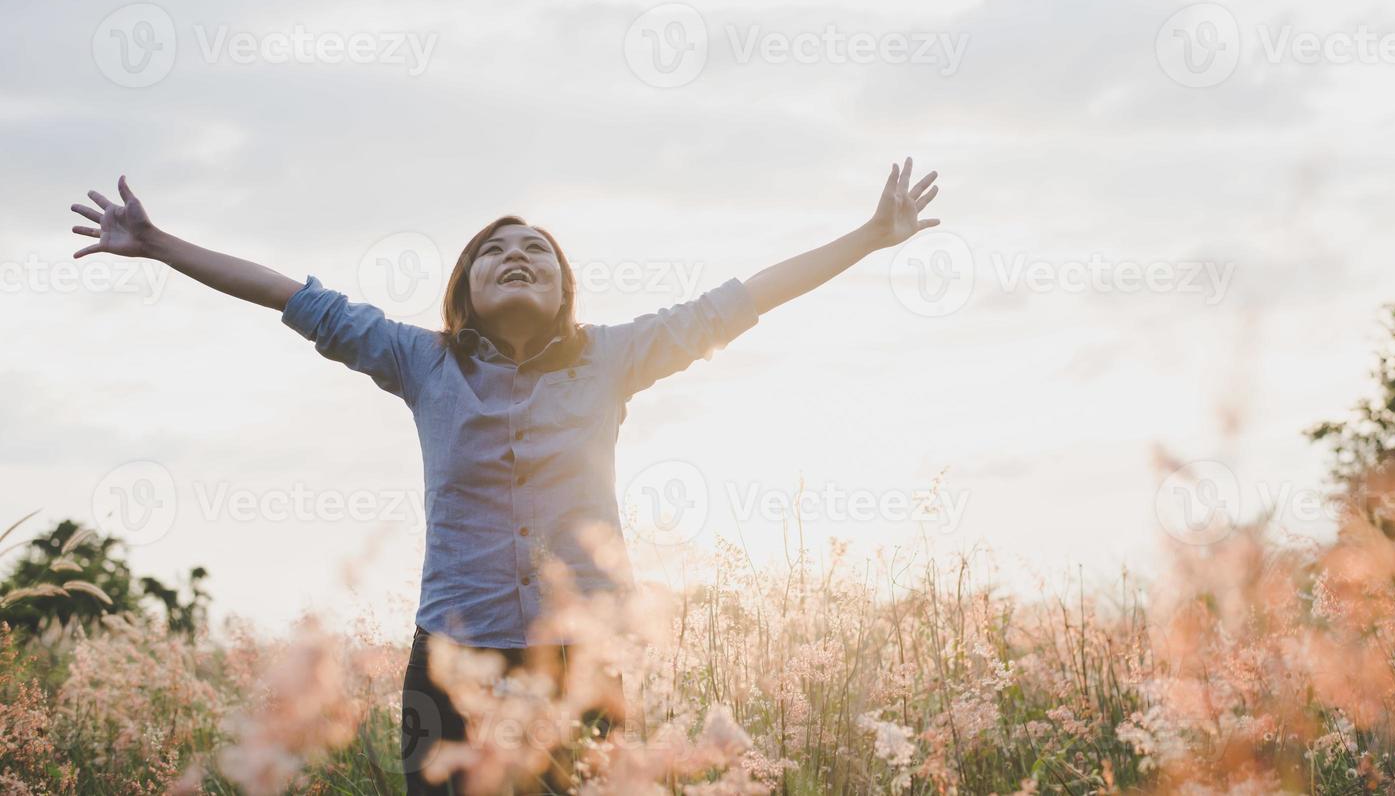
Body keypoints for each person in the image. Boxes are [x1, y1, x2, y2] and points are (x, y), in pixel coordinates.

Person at [69, 159, 940, 794]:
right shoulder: (419, 361)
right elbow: (292, 297)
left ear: (564, 288)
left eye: (537, 251)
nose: (516, 256)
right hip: (450, 661)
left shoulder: (615, 357)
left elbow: (742, 300)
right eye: (493, 251)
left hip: (581, 659)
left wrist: (870, 236)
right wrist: (156, 243)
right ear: (464, 289)